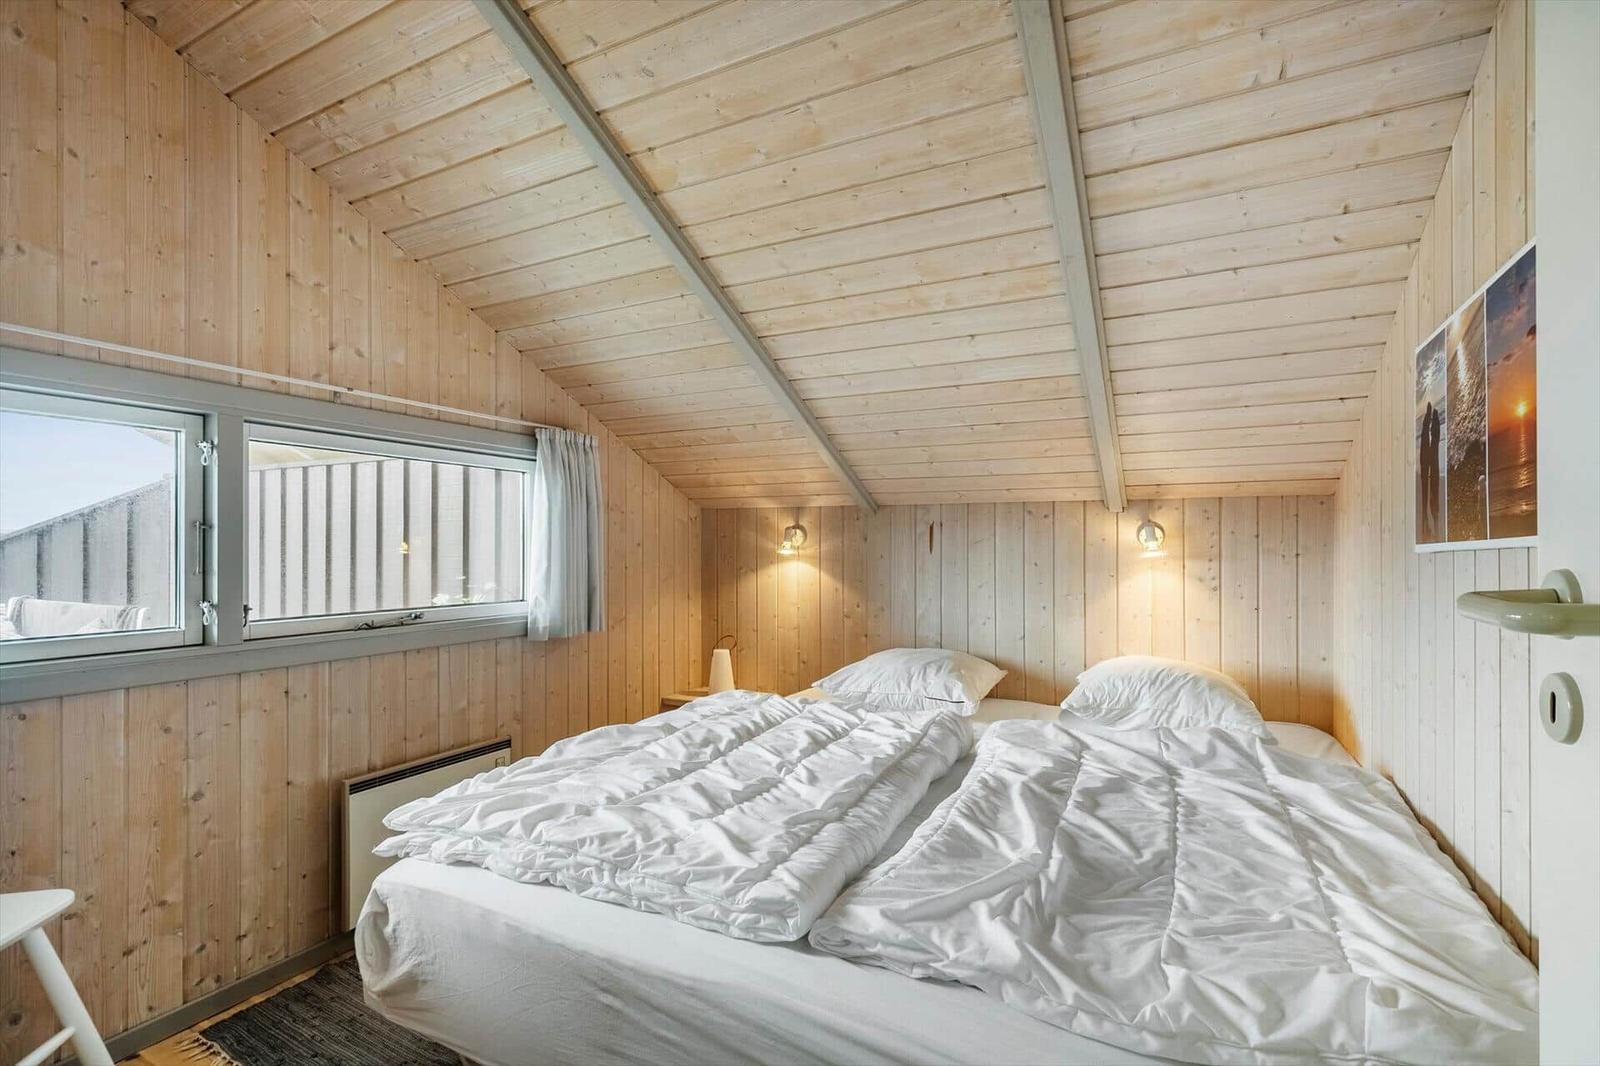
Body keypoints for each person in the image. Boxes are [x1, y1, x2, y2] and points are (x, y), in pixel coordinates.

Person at [1420, 401, 1441, 537]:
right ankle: (1432, 418)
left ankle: (1431, 418)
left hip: (1429, 463)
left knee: (1430, 445)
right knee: (1432, 445)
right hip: (1430, 463)